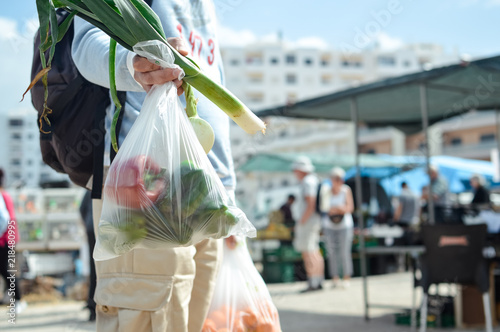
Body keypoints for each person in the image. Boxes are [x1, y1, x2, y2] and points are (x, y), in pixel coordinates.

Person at [72, 2, 235, 331]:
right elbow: (87, 40)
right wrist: (132, 64)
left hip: (209, 186)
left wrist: (228, 185)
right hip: (146, 181)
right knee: (148, 318)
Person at [291, 156, 324, 292]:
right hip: (311, 221)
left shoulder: (308, 182)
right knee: (313, 250)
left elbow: (310, 204)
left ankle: (313, 282)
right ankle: (316, 280)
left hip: (308, 221)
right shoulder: (312, 180)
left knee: (309, 252)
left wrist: (302, 221)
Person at [321, 167, 354, 288]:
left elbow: (349, 207)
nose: (339, 181)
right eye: (336, 179)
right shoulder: (326, 191)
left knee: (345, 252)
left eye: (340, 179)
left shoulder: (346, 190)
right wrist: (337, 208)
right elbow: (324, 208)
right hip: (329, 226)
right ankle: (335, 278)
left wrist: (338, 208)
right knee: (331, 252)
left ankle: (346, 277)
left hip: (344, 225)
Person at [0, 169, 27, 313]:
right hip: (9, 237)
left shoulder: (1, 195)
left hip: (4, 239)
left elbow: (3, 219)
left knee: (6, 270)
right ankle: (13, 298)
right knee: (6, 269)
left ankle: (17, 299)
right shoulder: (5, 195)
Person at [79, 191, 96, 321]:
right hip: (103, 229)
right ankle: (95, 305)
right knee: (103, 269)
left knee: (94, 269)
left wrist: (88, 225)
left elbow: (81, 209)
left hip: (91, 228)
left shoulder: (90, 187)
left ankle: (92, 305)